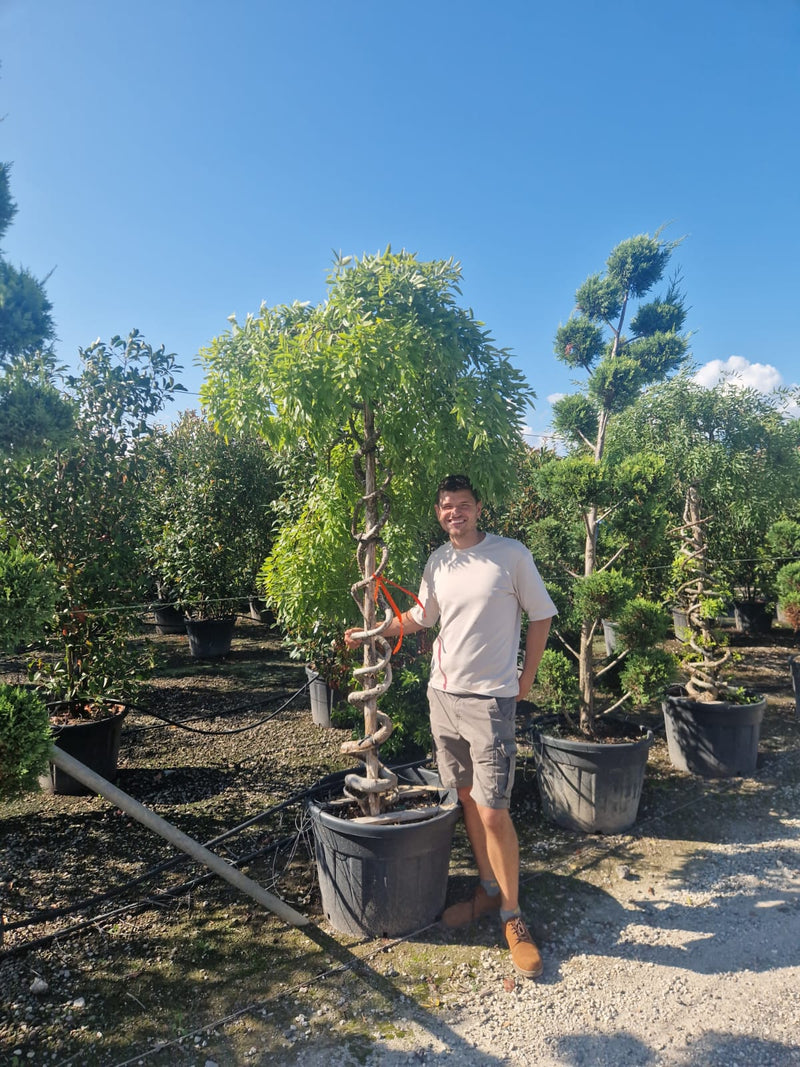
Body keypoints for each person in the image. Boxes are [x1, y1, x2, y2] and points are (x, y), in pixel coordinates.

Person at [345, 473, 556, 978]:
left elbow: (542, 615)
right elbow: (422, 617)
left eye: (463, 504)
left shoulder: (510, 555)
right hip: (443, 696)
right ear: (439, 512)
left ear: (478, 508)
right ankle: (488, 892)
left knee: (493, 812)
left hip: (490, 702)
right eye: (446, 506)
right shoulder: (439, 560)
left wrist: (525, 678)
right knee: (464, 800)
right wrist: (375, 630)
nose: (454, 512)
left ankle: (513, 916)